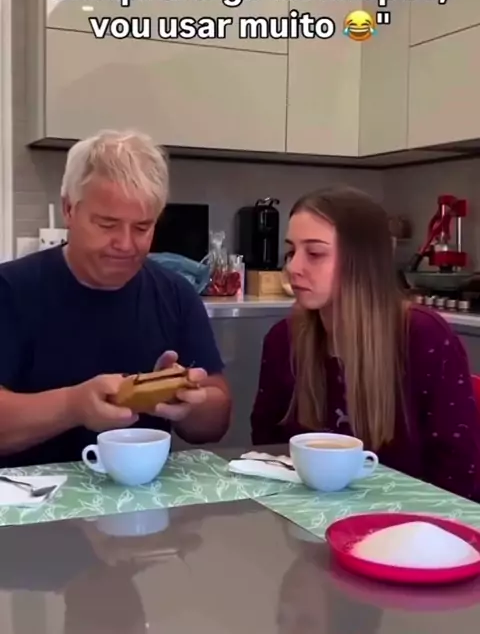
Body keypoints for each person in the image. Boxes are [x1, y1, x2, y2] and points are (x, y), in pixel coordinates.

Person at [0, 129, 231, 468]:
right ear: (69, 209)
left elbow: (216, 423)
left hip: (145, 496)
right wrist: (73, 406)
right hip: (29, 495)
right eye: (107, 224)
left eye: (142, 227)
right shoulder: (10, 290)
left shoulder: (176, 294)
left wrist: (188, 401)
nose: (125, 244)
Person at [251, 186, 480, 500]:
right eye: (291, 252)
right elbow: (267, 448)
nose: (292, 267)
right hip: (306, 515)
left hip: (410, 522)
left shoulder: (424, 337)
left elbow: (459, 473)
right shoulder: (283, 340)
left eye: (314, 253)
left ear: (362, 262)